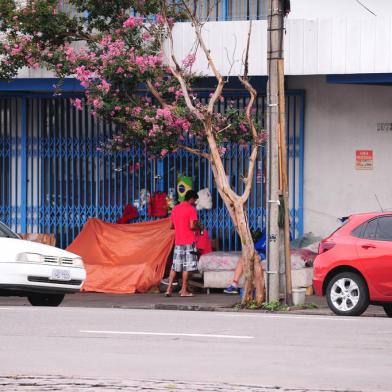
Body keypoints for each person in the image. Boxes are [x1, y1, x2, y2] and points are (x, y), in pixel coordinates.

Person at [165, 190, 201, 297]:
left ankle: (168, 289)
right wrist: (199, 227)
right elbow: (192, 226)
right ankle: (184, 291)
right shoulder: (191, 209)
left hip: (178, 241)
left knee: (175, 266)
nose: (195, 202)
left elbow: (171, 226)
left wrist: (180, 225)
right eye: (195, 200)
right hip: (189, 241)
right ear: (191, 199)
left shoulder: (175, 208)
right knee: (186, 267)